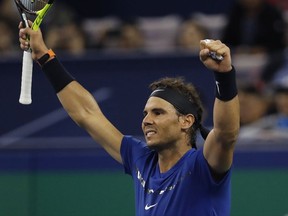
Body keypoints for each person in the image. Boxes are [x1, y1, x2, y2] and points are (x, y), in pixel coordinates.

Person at [18, 21, 240, 216]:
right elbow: (87, 113)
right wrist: (44, 56)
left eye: (158, 112)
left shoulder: (203, 165)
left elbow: (226, 134)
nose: (146, 120)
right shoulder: (140, 160)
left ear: (186, 121)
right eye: (145, 113)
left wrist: (224, 74)